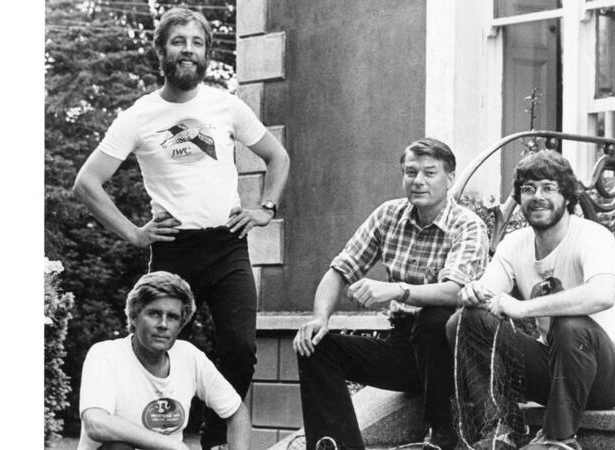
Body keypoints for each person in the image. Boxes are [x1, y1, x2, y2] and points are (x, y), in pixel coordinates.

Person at [73, 7, 289, 449]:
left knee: (240, 349)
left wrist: (266, 207)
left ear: (207, 53)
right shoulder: (139, 115)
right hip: (173, 251)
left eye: (196, 43)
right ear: (162, 51)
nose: (188, 50)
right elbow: (86, 183)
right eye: (178, 42)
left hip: (227, 245)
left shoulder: (226, 105)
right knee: (157, 351)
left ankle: (211, 440)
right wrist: (134, 233)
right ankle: (151, 439)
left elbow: (278, 157)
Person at [292, 138, 489, 450]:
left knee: (434, 319)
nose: (418, 181)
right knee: (316, 346)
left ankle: (444, 437)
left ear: (450, 179)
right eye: (411, 173)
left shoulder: (468, 226)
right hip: (404, 347)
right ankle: (337, 445)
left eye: (429, 173)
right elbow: (339, 270)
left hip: (451, 352)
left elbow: (455, 291)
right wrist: (319, 319)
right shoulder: (388, 216)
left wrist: (396, 290)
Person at [446, 150, 615, 450]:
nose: (537, 197)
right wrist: (472, 293)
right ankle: (500, 429)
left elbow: (601, 295)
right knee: (463, 321)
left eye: (548, 188)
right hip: (554, 372)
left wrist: (523, 308)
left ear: (567, 196)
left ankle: (558, 439)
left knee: (569, 325)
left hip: (607, 376)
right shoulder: (515, 244)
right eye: (528, 189)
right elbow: (488, 296)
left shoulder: (594, 236)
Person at [78, 271, 251, 450]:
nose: (163, 324)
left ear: (181, 324)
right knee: (119, 447)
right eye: (154, 314)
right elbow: (95, 423)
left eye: (173, 317)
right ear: (135, 316)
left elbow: (237, 413)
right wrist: (171, 445)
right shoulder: (106, 354)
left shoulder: (189, 356)